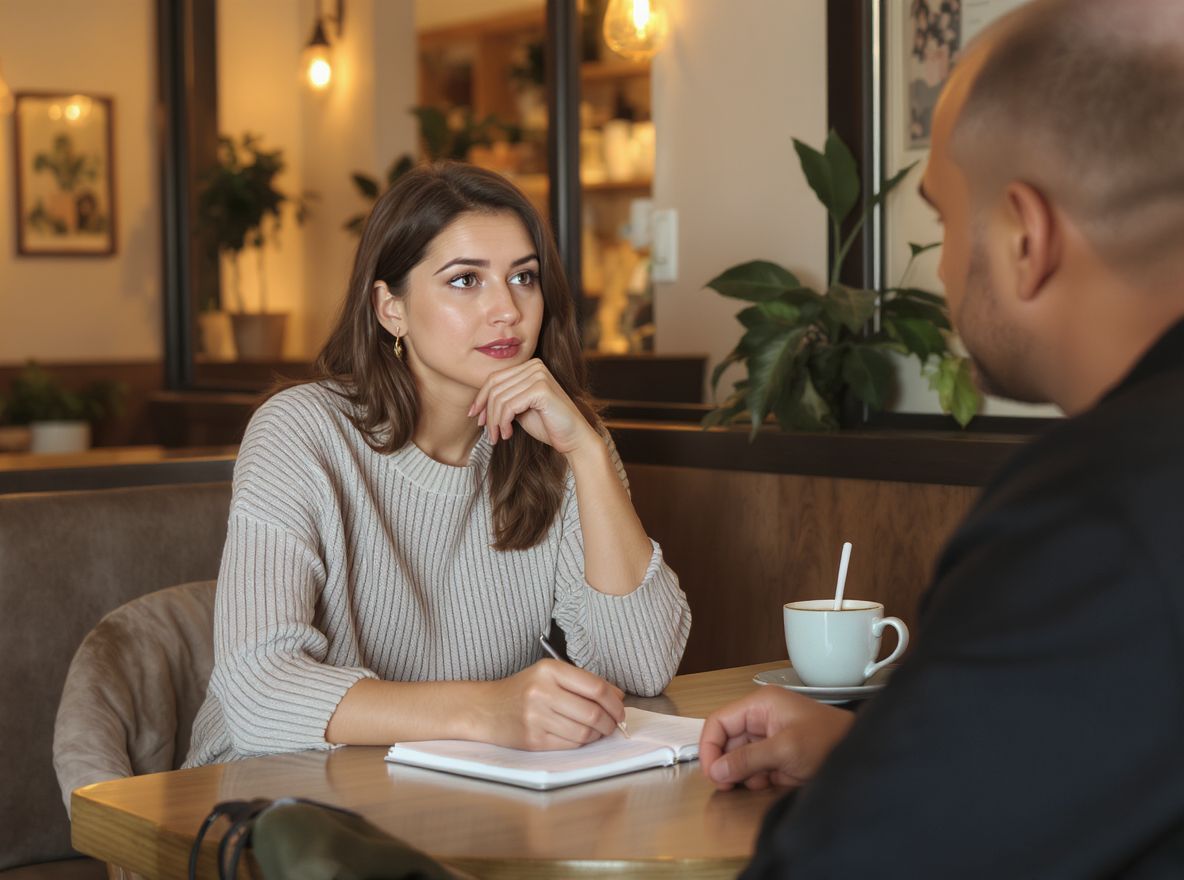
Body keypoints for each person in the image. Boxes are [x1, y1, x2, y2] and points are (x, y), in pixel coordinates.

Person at [700, 0, 1184, 875]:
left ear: (1026, 239)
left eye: (945, 217)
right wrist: (876, 747)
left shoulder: (1095, 515)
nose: (947, 254)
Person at [185, 163, 691, 767]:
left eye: (523, 278)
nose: (507, 310)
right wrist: (487, 711)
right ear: (390, 308)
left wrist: (587, 451)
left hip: (459, 793)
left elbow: (642, 664)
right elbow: (257, 696)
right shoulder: (299, 431)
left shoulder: (558, 439)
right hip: (275, 798)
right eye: (465, 281)